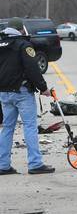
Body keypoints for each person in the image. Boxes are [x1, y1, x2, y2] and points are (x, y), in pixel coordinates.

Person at [0, 18, 55, 175]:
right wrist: (43, 88)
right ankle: (35, 164)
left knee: (7, 128)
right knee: (29, 126)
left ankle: (3, 165)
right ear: (21, 29)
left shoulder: (1, 44)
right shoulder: (23, 45)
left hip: (4, 93)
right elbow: (32, 69)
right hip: (22, 92)